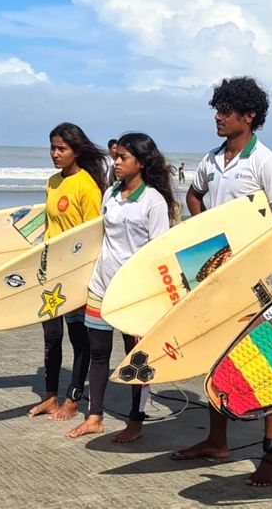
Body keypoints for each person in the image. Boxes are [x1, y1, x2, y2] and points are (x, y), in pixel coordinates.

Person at [171, 76, 272, 488]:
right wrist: (206, 233)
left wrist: (258, 256)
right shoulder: (211, 159)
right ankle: (217, 440)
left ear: (249, 116)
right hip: (218, 274)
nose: (218, 118)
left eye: (225, 111)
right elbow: (194, 195)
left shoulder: (267, 163)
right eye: (217, 110)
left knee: (269, 362)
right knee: (216, 357)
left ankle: (271, 457)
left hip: (258, 280)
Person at [66, 132, 176, 442]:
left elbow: (158, 252)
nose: (115, 162)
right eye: (115, 156)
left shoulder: (153, 201)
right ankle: (95, 416)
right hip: (101, 286)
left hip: (133, 293)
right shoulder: (111, 194)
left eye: (122, 157)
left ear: (140, 162)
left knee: (136, 358)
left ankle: (136, 422)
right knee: (98, 353)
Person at [27, 122, 108, 420]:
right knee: (51, 336)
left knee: (78, 339)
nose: (55, 154)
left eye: (62, 148)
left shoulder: (87, 185)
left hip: (76, 275)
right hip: (51, 272)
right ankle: (50, 396)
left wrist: (86, 276)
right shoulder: (51, 182)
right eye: (52, 148)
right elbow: (49, 227)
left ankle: (73, 399)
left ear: (77, 151)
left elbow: (93, 235)